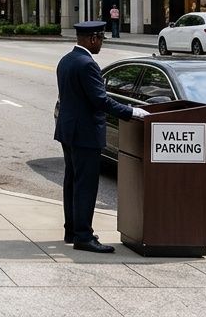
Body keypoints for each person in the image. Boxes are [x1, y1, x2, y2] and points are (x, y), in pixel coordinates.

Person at [54, 20, 148, 253]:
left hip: (68, 131)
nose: (101, 44)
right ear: (92, 39)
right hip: (85, 133)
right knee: (85, 186)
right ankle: (84, 236)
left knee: (72, 182)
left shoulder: (67, 60)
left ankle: (72, 229)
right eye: (101, 40)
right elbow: (100, 100)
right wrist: (132, 111)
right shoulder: (87, 64)